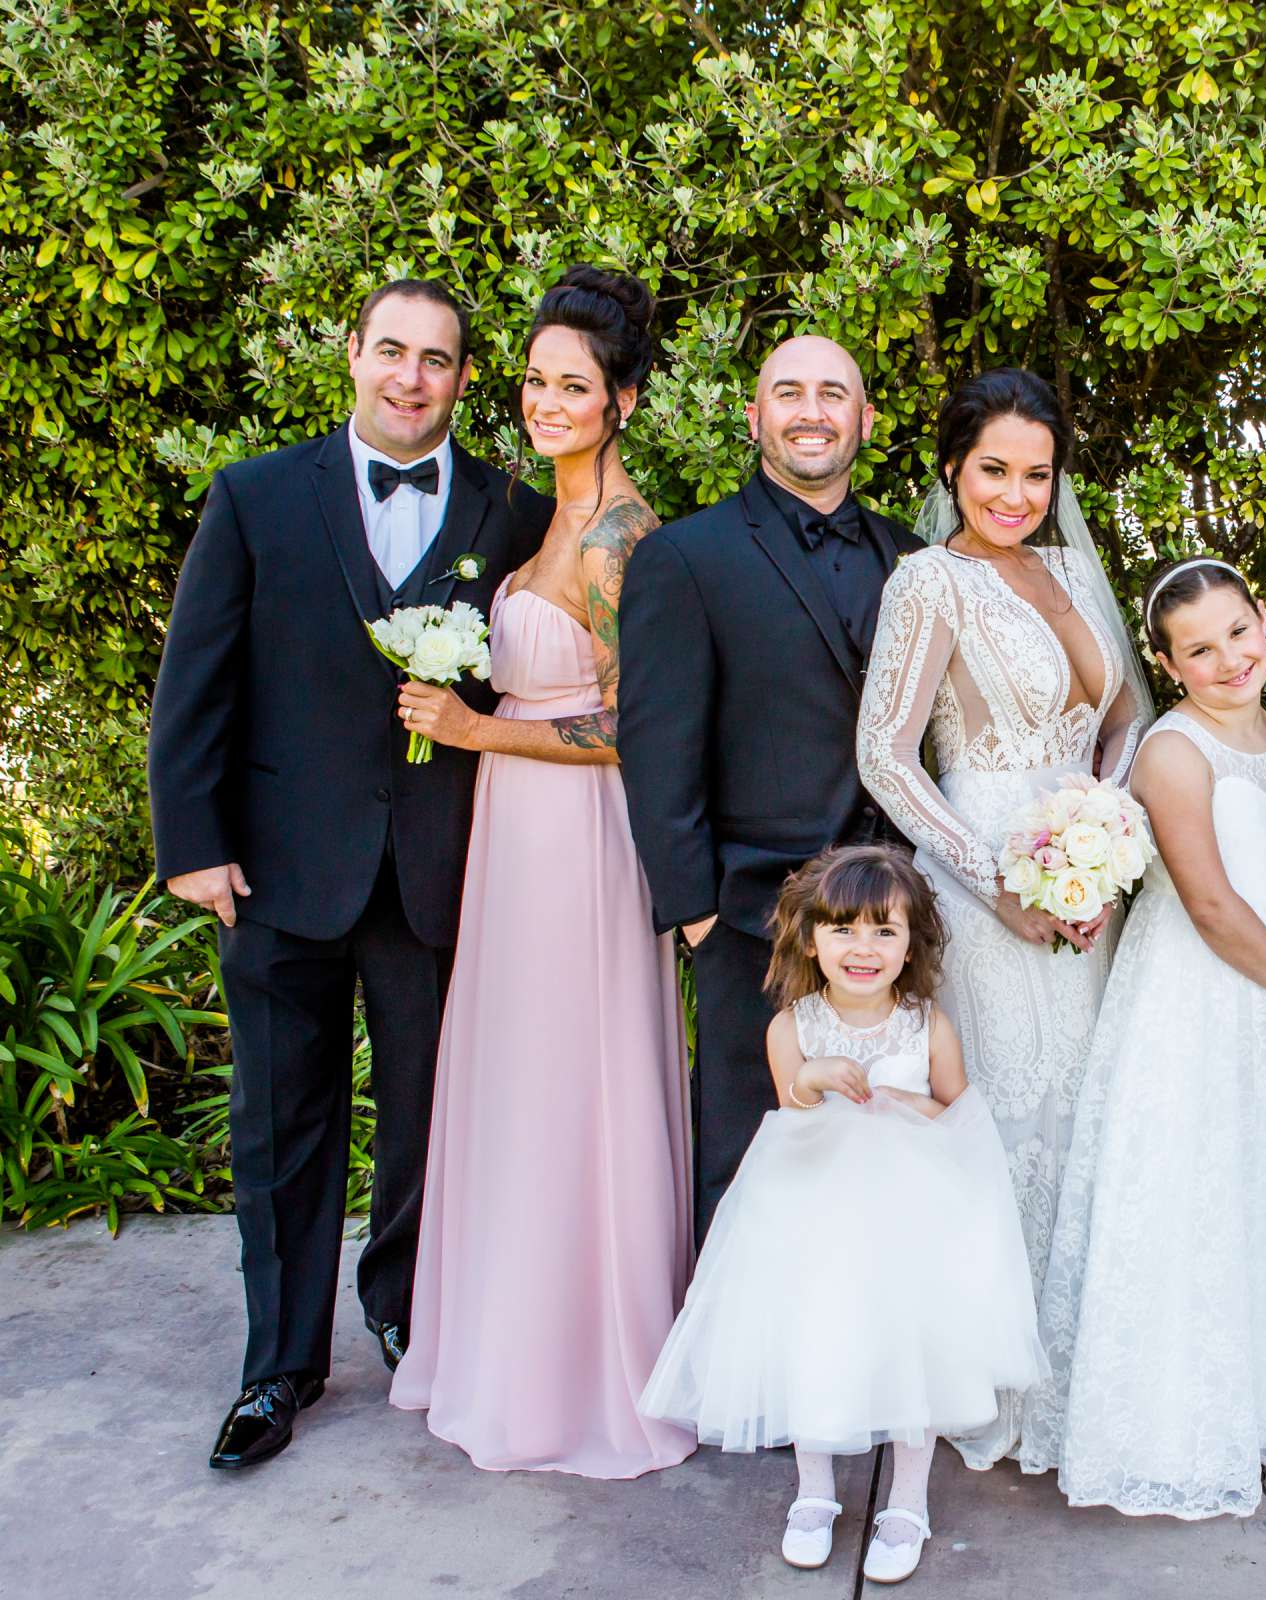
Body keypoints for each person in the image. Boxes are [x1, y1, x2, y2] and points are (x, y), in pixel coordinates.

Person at [149, 278, 551, 1469]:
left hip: (441, 868)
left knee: (431, 1117)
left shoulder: (512, 515)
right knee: (281, 1120)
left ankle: (406, 1314)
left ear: (466, 380)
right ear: (352, 356)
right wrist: (194, 843)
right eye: (392, 352)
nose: (411, 377)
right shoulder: (258, 495)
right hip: (278, 868)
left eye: (437, 360)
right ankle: (277, 1365)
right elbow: (196, 682)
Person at [386, 267, 694, 1476]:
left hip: (581, 837)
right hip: (509, 836)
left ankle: (583, 1366)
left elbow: (635, 722)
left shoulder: (624, 536)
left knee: (575, 1077)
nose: (547, 402)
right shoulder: (531, 513)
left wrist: (475, 731)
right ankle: (498, 1343)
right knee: (512, 1073)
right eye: (533, 380)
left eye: (576, 386)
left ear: (621, 400)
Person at [1019, 558, 1266, 1518]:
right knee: (1191, 1191)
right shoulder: (1172, 752)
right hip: (1196, 998)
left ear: (1265, 620)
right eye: (1200, 648)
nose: (1229, 659)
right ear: (1169, 664)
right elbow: (1211, 902)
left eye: (1239, 631)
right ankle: (1172, 1426)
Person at [856, 367, 1152, 1469]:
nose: (1017, 494)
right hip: (984, 879)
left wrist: (1106, 815)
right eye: (994, 470)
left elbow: (1120, 715)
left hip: (1087, 872)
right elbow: (883, 753)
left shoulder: (1074, 566)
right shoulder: (928, 582)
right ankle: (991, 1376)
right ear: (952, 468)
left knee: (1086, 1116)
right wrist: (997, 880)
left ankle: (1081, 1364)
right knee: (1009, 1119)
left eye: (1037, 473)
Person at [640, 846, 1044, 1586]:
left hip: (912, 1222)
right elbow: (790, 1104)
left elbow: (960, 1110)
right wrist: (813, 1079)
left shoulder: (928, 1026)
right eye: (843, 931)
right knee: (815, 1341)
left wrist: (907, 1103)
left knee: (916, 1351)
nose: (863, 948)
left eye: (884, 932)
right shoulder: (795, 1026)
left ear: (912, 943)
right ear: (809, 939)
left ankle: (909, 1502)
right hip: (815, 1218)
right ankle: (815, 1493)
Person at [619, 334, 921, 1245]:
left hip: (894, 912)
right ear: (755, 417)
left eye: (834, 393)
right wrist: (695, 906)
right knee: (750, 1154)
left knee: (882, 1151)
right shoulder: (686, 556)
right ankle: (737, 1380)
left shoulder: (917, 561)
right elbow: (657, 743)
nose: (811, 410)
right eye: (788, 392)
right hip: (753, 909)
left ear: (866, 420)